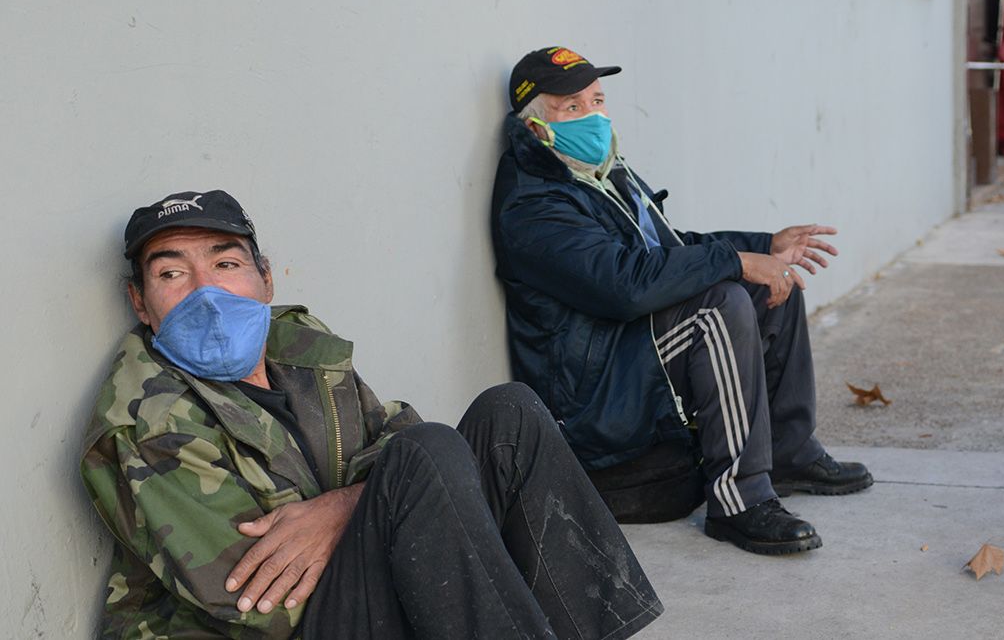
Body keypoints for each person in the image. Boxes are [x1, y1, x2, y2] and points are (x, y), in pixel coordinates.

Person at [80, 189, 662, 639]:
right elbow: (257, 606)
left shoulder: (297, 344)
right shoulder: (146, 417)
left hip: (354, 587)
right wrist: (378, 505)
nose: (207, 292)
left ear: (265, 277)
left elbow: (397, 435)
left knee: (508, 415)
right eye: (172, 273)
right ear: (140, 303)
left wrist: (342, 507)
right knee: (429, 456)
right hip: (283, 628)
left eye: (226, 264)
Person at [490, 46, 873, 556]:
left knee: (769, 285)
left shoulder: (599, 174)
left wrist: (762, 248)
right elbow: (623, 284)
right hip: (588, 396)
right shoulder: (534, 202)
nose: (594, 116)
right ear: (537, 125)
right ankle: (739, 501)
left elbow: (668, 247)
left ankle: (789, 451)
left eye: (598, 100)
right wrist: (736, 262)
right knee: (718, 305)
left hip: (619, 352)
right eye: (572, 107)